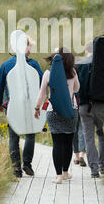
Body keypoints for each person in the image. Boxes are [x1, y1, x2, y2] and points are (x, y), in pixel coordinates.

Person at [0, 35, 43, 178]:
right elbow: (41, 84)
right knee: (30, 134)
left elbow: (0, 86)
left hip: (12, 105)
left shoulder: (6, 65)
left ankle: (16, 168)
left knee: (13, 137)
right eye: (29, 46)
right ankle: (27, 164)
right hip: (30, 104)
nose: (30, 49)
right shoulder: (33, 65)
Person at [34, 47, 80, 184]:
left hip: (53, 111)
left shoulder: (48, 73)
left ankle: (58, 176)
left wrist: (37, 108)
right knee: (67, 142)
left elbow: (42, 93)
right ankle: (66, 172)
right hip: (71, 111)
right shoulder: (73, 72)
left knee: (57, 143)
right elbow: (77, 89)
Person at [77, 41, 104, 178]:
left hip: (84, 107)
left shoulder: (80, 65)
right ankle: (103, 166)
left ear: (86, 51)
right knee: (103, 136)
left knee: (88, 138)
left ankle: (94, 170)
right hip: (101, 106)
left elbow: (76, 86)